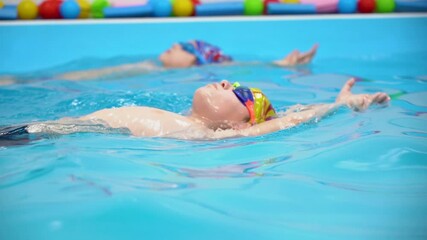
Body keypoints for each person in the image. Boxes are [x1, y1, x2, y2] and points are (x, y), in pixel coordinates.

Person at [0, 78, 390, 142]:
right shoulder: (183, 119)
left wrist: (339, 106)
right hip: (35, 129)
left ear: (242, 121)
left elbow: (290, 120)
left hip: (34, 138)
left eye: (239, 92)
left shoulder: (215, 135)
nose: (226, 82)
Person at [0, 41, 318, 84]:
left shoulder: (154, 70)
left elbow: (235, 67)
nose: (170, 47)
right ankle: (23, 81)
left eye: (180, 47)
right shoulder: (150, 67)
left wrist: (280, 64)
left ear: (196, 60)